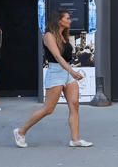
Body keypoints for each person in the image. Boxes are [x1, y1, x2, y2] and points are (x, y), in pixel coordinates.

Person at [13, 10, 92, 148]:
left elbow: (66, 57)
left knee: (74, 104)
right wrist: (72, 71)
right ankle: (21, 131)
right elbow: (57, 56)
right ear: (59, 20)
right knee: (48, 109)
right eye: (67, 18)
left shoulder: (64, 35)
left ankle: (75, 139)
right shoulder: (49, 35)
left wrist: (71, 71)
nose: (70, 20)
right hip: (56, 73)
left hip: (67, 72)